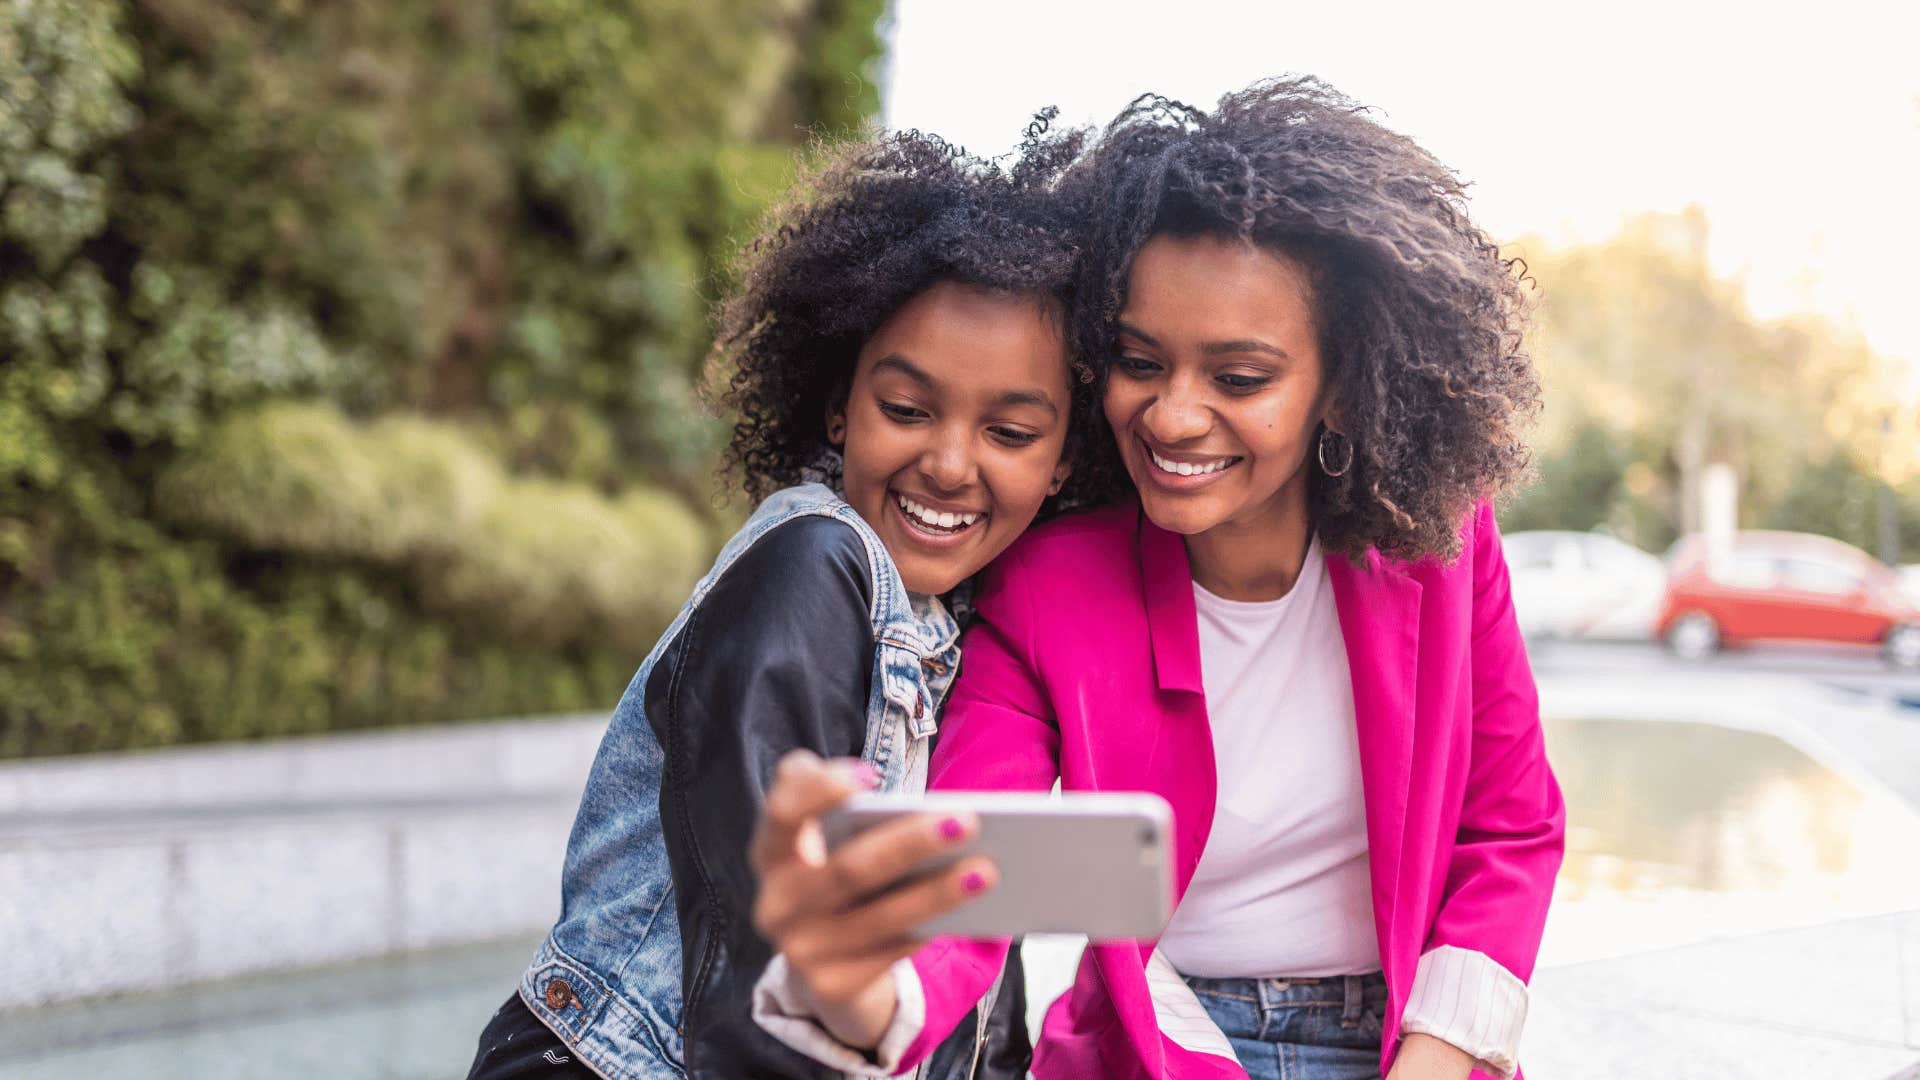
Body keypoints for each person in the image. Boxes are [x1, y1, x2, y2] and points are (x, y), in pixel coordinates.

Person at [750, 78, 1566, 1080]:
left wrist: (1433, 1062)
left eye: (1239, 379)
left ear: (1342, 390)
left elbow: (1511, 826)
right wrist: (866, 987)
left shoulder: (1437, 540)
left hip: (1419, 1044)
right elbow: (970, 860)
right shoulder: (1049, 586)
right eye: (1141, 361)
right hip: (1156, 1052)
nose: (1173, 418)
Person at [465, 119, 1099, 1080]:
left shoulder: (978, 636)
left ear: (1062, 463)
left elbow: (971, 966)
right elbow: (757, 953)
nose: (949, 462)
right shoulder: (811, 566)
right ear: (838, 404)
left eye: (1010, 432)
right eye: (907, 409)